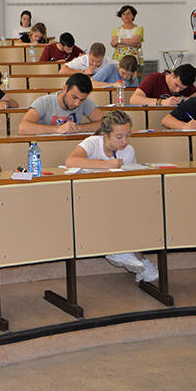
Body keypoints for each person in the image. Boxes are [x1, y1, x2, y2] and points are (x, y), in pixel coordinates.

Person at [65, 110, 158, 282]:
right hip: (86, 197)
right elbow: (71, 161)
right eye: (119, 136)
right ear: (105, 135)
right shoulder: (93, 142)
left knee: (135, 207)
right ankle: (122, 251)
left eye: (128, 136)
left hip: (114, 196)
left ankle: (136, 258)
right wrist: (105, 165)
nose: (125, 141)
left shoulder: (128, 151)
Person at [18, 73, 105, 135]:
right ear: (65, 88)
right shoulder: (44, 102)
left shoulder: (84, 102)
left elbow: (106, 123)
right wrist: (57, 129)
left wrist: (79, 128)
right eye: (74, 97)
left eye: (82, 100)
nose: (77, 103)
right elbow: (23, 128)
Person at [130, 64, 196, 106]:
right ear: (172, 75)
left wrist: (182, 99)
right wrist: (161, 102)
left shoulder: (185, 82)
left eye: (182, 89)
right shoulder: (154, 78)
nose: (177, 90)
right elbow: (134, 100)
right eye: (176, 85)